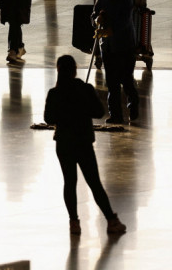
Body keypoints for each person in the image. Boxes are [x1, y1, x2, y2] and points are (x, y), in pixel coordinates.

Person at [44, 55, 127, 235]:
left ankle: (74, 222)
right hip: (83, 141)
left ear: (58, 70)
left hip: (63, 142)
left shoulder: (54, 93)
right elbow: (98, 112)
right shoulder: (85, 89)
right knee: (94, 183)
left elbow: (48, 118)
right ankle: (111, 220)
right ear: (74, 70)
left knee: (69, 182)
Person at [92, 0, 139, 124]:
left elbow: (124, 21)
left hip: (125, 46)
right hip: (107, 47)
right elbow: (93, 16)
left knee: (126, 80)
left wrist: (110, 30)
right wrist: (96, 20)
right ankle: (115, 115)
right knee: (112, 82)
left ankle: (133, 105)